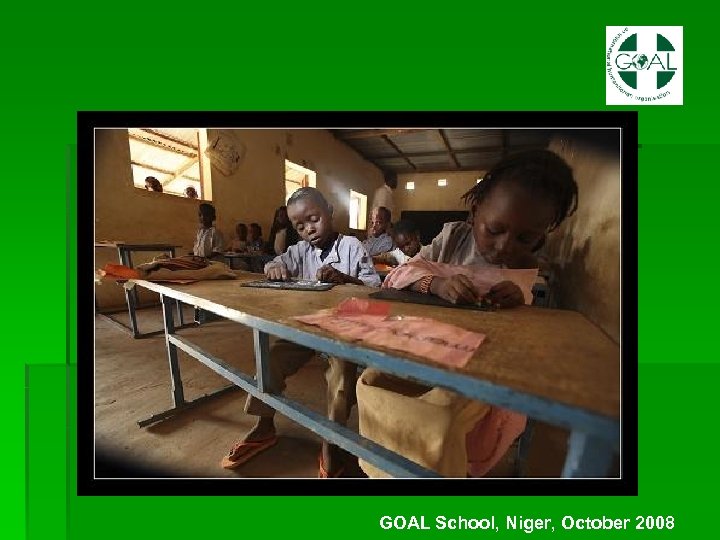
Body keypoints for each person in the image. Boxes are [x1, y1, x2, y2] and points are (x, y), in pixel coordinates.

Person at [356, 149, 579, 478]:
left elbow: (523, 325)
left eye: (525, 237)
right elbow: (401, 275)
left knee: (450, 427)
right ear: (475, 211)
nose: (504, 246)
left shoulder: (525, 265)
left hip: (479, 364)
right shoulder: (452, 238)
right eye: (494, 229)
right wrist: (436, 284)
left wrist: (518, 297)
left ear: (542, 235)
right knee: (378, 390)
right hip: (427, 348)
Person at [221, 187, 380, 477]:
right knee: (270, 359)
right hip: (308, 327)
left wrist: (344, 279)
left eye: (314, 218)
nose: (309, 229)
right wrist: (274, 269)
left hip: (342, 333)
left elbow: (374, 290)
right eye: (300, 225)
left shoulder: (352, 247)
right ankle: (264, 424)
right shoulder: (299, 251)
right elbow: (276, 262)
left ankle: (332, 443)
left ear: (329, 211)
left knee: (342, 377)